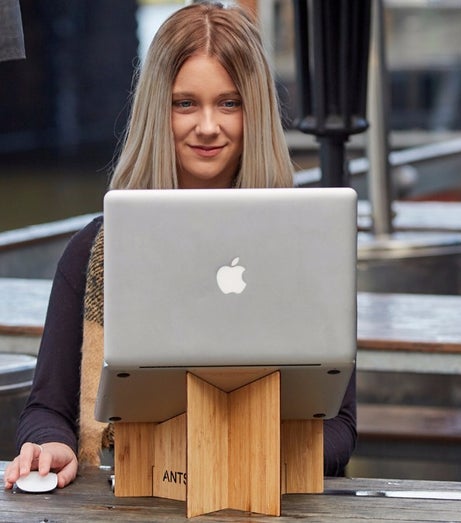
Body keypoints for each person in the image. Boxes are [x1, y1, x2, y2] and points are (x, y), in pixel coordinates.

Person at [4, 1, 357, 490]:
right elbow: (46, 410)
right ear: (157, 109)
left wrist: (245, 453)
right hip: (125, 498)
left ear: (254, 110)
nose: (208, 126)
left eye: (229, 103)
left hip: (275, 497)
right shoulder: (92, 250)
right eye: (185, 103)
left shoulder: (309, 245)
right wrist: (51, 445)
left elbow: (339, 427)